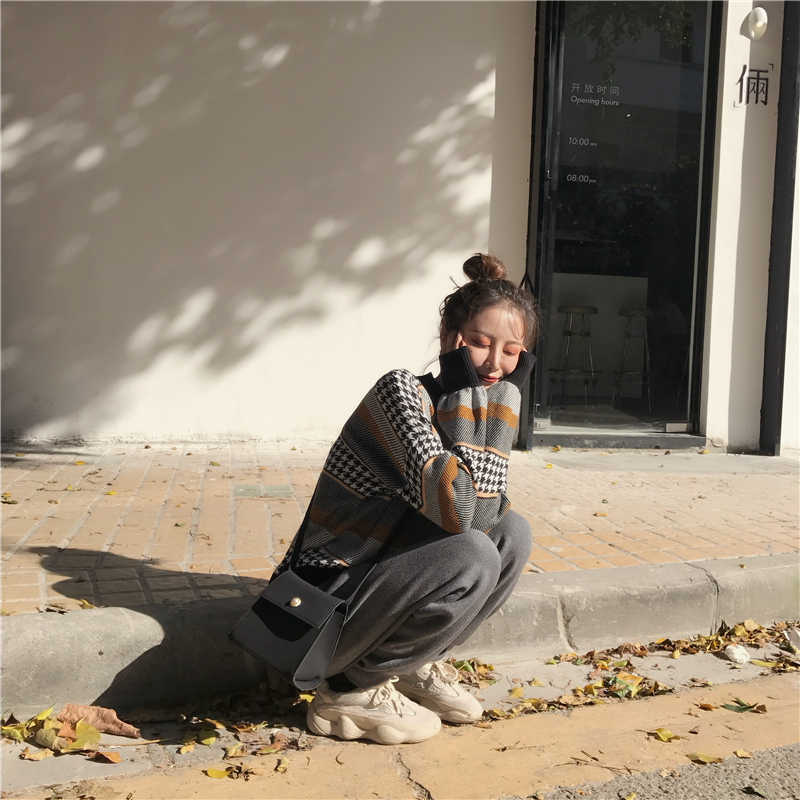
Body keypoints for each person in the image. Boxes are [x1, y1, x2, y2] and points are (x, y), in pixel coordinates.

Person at [275, 253, 539, 745]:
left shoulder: (485, 408)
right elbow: (459, 513)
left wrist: (501, 403)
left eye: (511, 352)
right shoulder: (400, 394)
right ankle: (348, 688)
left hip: (375, 590)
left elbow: (488, 512)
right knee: (474, 551)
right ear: (449, 338)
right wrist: (474, 398)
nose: (494, 364)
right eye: (480, 343)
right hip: (320, 607)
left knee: (512, 534)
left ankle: (414, 663)